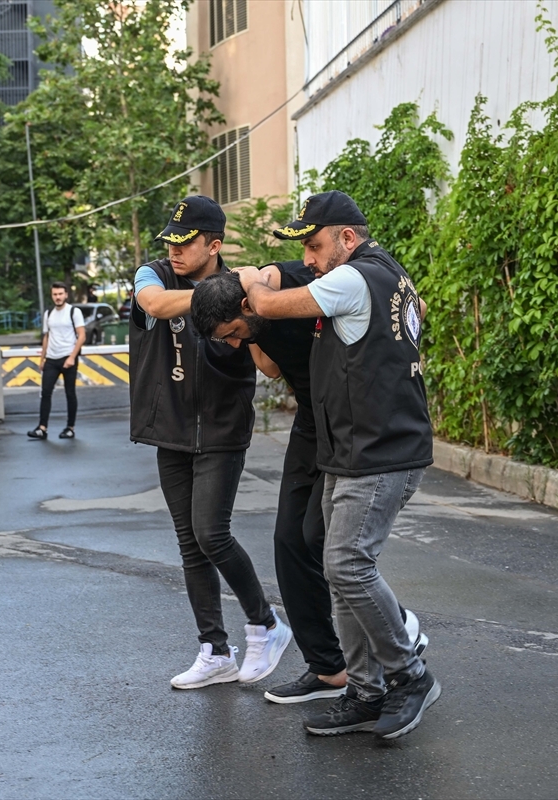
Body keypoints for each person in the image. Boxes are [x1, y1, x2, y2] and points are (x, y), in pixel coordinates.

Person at [236, 190, 439, 739]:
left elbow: (271, 307)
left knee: (349, 565)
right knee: (337, 566)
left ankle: (408, 675)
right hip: (356, 450)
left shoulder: (352, 278)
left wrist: (253, 279)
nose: (308, 258)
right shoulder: (389, 273)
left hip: (379, 452)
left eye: (315, 244)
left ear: (348, 238)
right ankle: (366, 691)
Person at [190, 265, 429, 706]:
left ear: (248, 303)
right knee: (289, 539)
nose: (235, 342)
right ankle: (329, 668)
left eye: (236, 331)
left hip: (348, 417)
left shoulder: (300, 280)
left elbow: (400, 309)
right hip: (310, 415)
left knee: (325, 541)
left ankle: (399, 628)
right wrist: (251, 336)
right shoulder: (249, 325)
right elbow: (272, 369)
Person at [129, 195, 292, 690]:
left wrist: (251, 310)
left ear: (213, 244)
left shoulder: (249, 291)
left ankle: (266, 625)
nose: (174, 251)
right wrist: (225, 290)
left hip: (222, 428)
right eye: (170, 242)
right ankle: (214, 651)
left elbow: (269, 367)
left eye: (185, 243)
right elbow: (153, 306)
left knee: (211, 534)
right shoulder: (152, 274)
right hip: (170, 428)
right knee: (189, 545)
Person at [28, 282, 85, 440]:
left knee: (70, 393)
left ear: (66, 294)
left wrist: (72, 357)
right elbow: (46, 336)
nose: (58, 297)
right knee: (45, 393)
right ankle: (42, 428)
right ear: (51, 295)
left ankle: (70, 427)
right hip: (51, 359)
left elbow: (82, 335)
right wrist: (42, 359)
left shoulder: (74, 311)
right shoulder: (49, 313)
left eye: (60, 294)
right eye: (55, 294)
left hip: (68, 357)